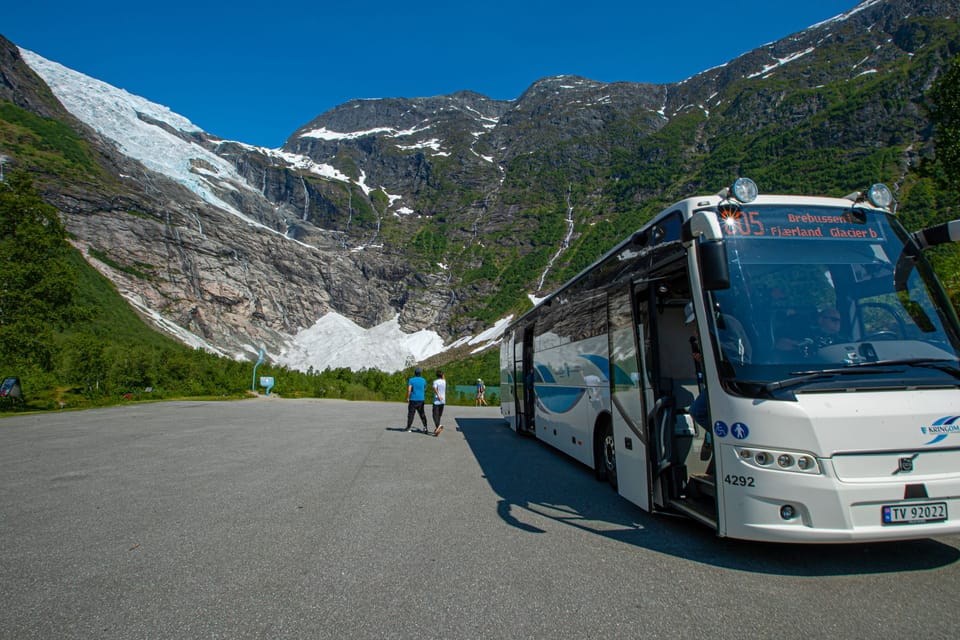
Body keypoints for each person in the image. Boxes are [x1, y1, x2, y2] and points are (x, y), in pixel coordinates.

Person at [405, 367, 429, 433]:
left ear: (415, 373)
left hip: (413, 399)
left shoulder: (411, 380)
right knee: (422, 414)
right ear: (420, 373)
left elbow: (409, 390)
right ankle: (425, 427)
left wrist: (407, 397)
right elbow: (424, 389)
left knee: (411, 414)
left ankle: (409, 427)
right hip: (421, 399)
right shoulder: (423, 380)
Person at [431, 370, 446, 436]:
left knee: (434, 415)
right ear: (442, 375)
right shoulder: (444, 381)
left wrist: (438, 395)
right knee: (439, 415)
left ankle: (438, 426)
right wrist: (443, 375)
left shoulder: (435, 381)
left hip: (437, 400)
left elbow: (434, 388)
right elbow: (444, 378)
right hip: (443, 400)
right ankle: (437, 428)